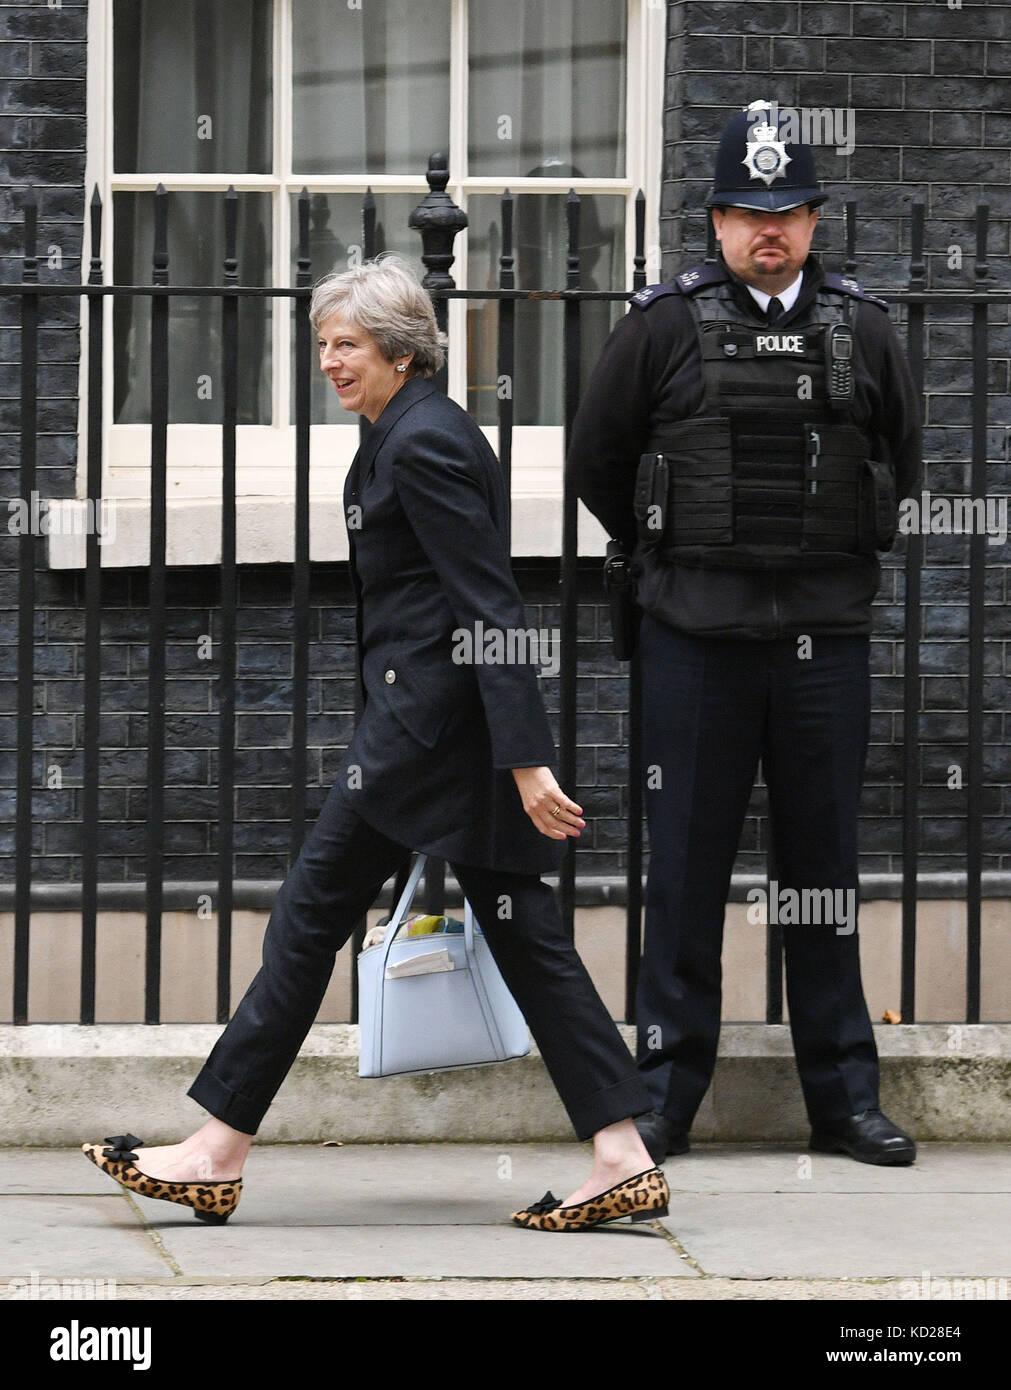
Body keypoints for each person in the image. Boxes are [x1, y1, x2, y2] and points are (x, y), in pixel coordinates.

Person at [83, 255, 668, 1233]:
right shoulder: (406, 431)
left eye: (344, 344)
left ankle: (217, 1149)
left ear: (399, 347)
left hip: (421, 735)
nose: (328, 362)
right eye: (321, 344)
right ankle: (622, 1152)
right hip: (448, 729)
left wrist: (526, 761)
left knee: (310, 915)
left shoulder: (422, 444)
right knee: (527, 933)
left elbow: (488, 603)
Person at [573, 102, 922, 1167]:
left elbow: (898, 463)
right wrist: (672, 559)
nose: (767, 231)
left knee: (823, 867)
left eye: (787, 212)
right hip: (695, 641)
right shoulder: (662, 328)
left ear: (814, 219)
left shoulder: (864, 330)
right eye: (746, 211)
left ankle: (844, 1099)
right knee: (682, 871)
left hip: (824, 641)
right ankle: (666, 1094)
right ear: (716, 218)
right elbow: (599, 460)